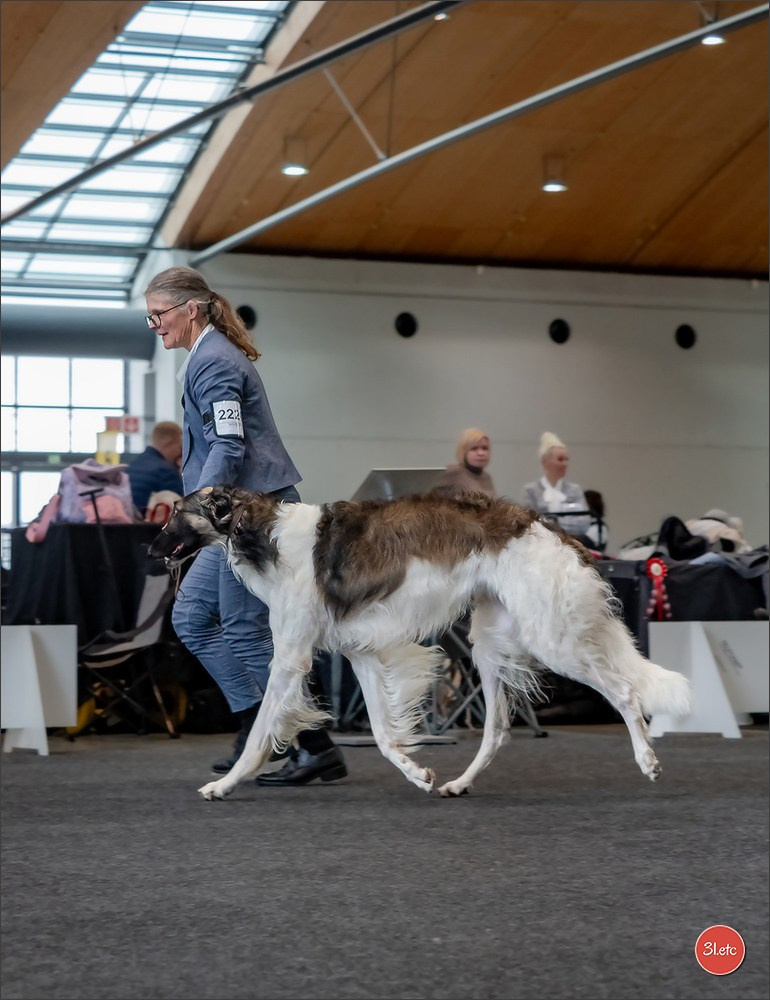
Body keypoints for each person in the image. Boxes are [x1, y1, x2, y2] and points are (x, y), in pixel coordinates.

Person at [144, 265, 346, 786]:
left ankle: (312, 744)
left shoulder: (212, 361)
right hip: (232, 515)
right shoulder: (204, 356)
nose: (155, 325)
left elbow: (228, 447)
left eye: (158, 315)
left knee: (242, 627)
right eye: (149, 318)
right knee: (192, 619)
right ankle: (260, 725)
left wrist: (196, 514)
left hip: (251, 518)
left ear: (190, 309)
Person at [520, 431, 592, 542]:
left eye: (566, 459)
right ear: (545, 461)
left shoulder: (575, 490)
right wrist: (565, 522)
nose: (565, 463)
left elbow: (584, 524)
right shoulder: (531, 491)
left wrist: (554, 523)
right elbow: (529, 524)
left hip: (573, 543)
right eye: (560, 459)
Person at [127, 421, 184, 516]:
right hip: (151, 528)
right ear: (169, 443)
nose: (180, 453)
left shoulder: (131, 465)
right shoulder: (167, 471)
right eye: (180, 447)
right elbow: (181, 509)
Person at [432, 427, 497, 499]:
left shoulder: (486, 477)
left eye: (485, 448)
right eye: (474, 448)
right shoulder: (451, 473)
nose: (481, 453)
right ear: (464, 452)